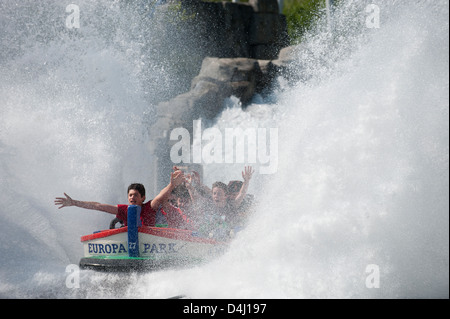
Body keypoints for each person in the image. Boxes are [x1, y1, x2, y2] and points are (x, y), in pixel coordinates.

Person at [54, 170, 192, 229]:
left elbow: (161, 197)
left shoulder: (149, 207)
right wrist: (74, 202)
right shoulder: (123, 210)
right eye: (130, 195)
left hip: (149, 245)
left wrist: (172, 184)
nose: (132, 197)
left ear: (143, 198)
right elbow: (98, 206)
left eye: (136, 195)